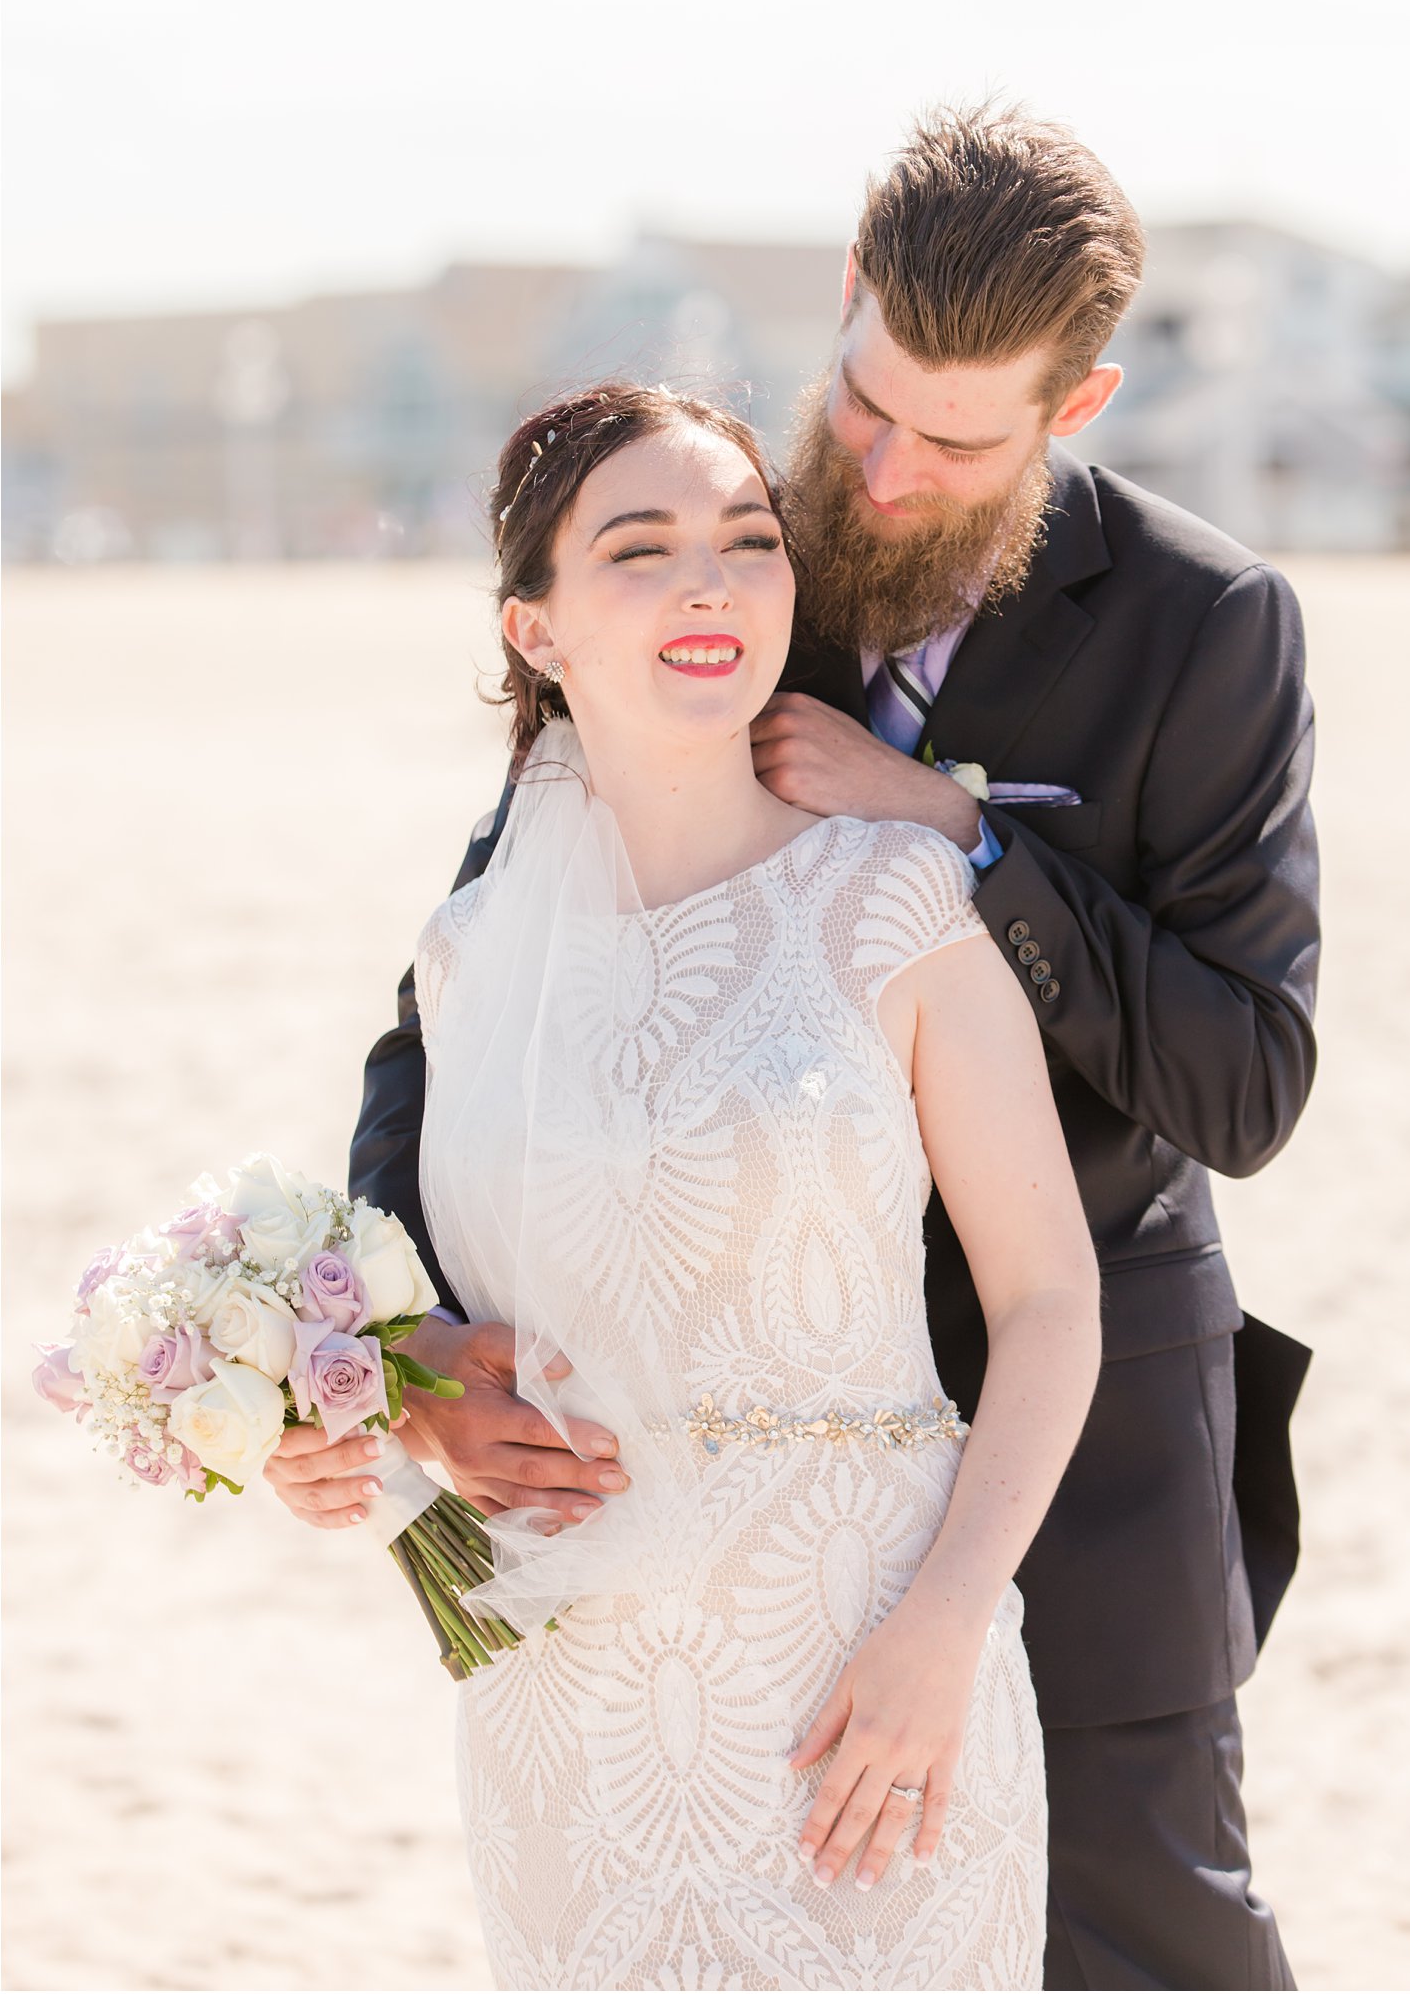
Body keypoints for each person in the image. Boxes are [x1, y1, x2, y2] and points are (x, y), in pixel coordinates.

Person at [298, 102, 1320, 1988]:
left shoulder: (1209, 628)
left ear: (1076, 408)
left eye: (956, 438)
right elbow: (450, 1017)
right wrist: (414, 1338)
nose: (889, 466)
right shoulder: (716, 547)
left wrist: (959, 837)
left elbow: (1246, 1079)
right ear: (847, 295)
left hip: (1075, 1420)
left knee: (1151, 1935)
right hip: (697, 1477)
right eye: (865, 403)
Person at [272, 379, 1102, 1989]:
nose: (711, 581)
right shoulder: (468, 952)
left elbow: (1052, 1300)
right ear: (537, 628)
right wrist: (370, 1410)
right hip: (570, 1722)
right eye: (640, 550)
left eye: (745, 539)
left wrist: (948, 1625)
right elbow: (450, 1316)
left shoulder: (894, 900)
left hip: (872, 1705)